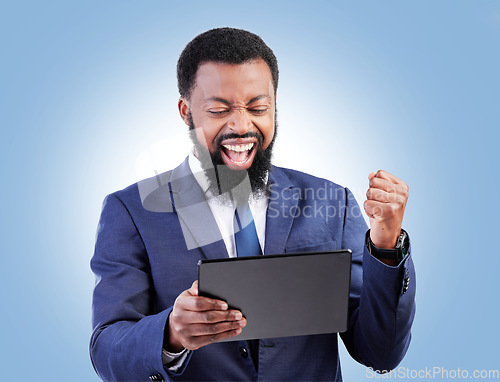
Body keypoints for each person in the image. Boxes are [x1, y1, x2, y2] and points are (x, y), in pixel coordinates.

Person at [90, 27, 415, 382]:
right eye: (218, 109)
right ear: (186, 112)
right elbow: (108, 349)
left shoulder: (331, 202)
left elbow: (379, 352)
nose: (242, 126)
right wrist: (170, 334)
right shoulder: (132, 211)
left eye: (258, 107)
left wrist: (385, 246)